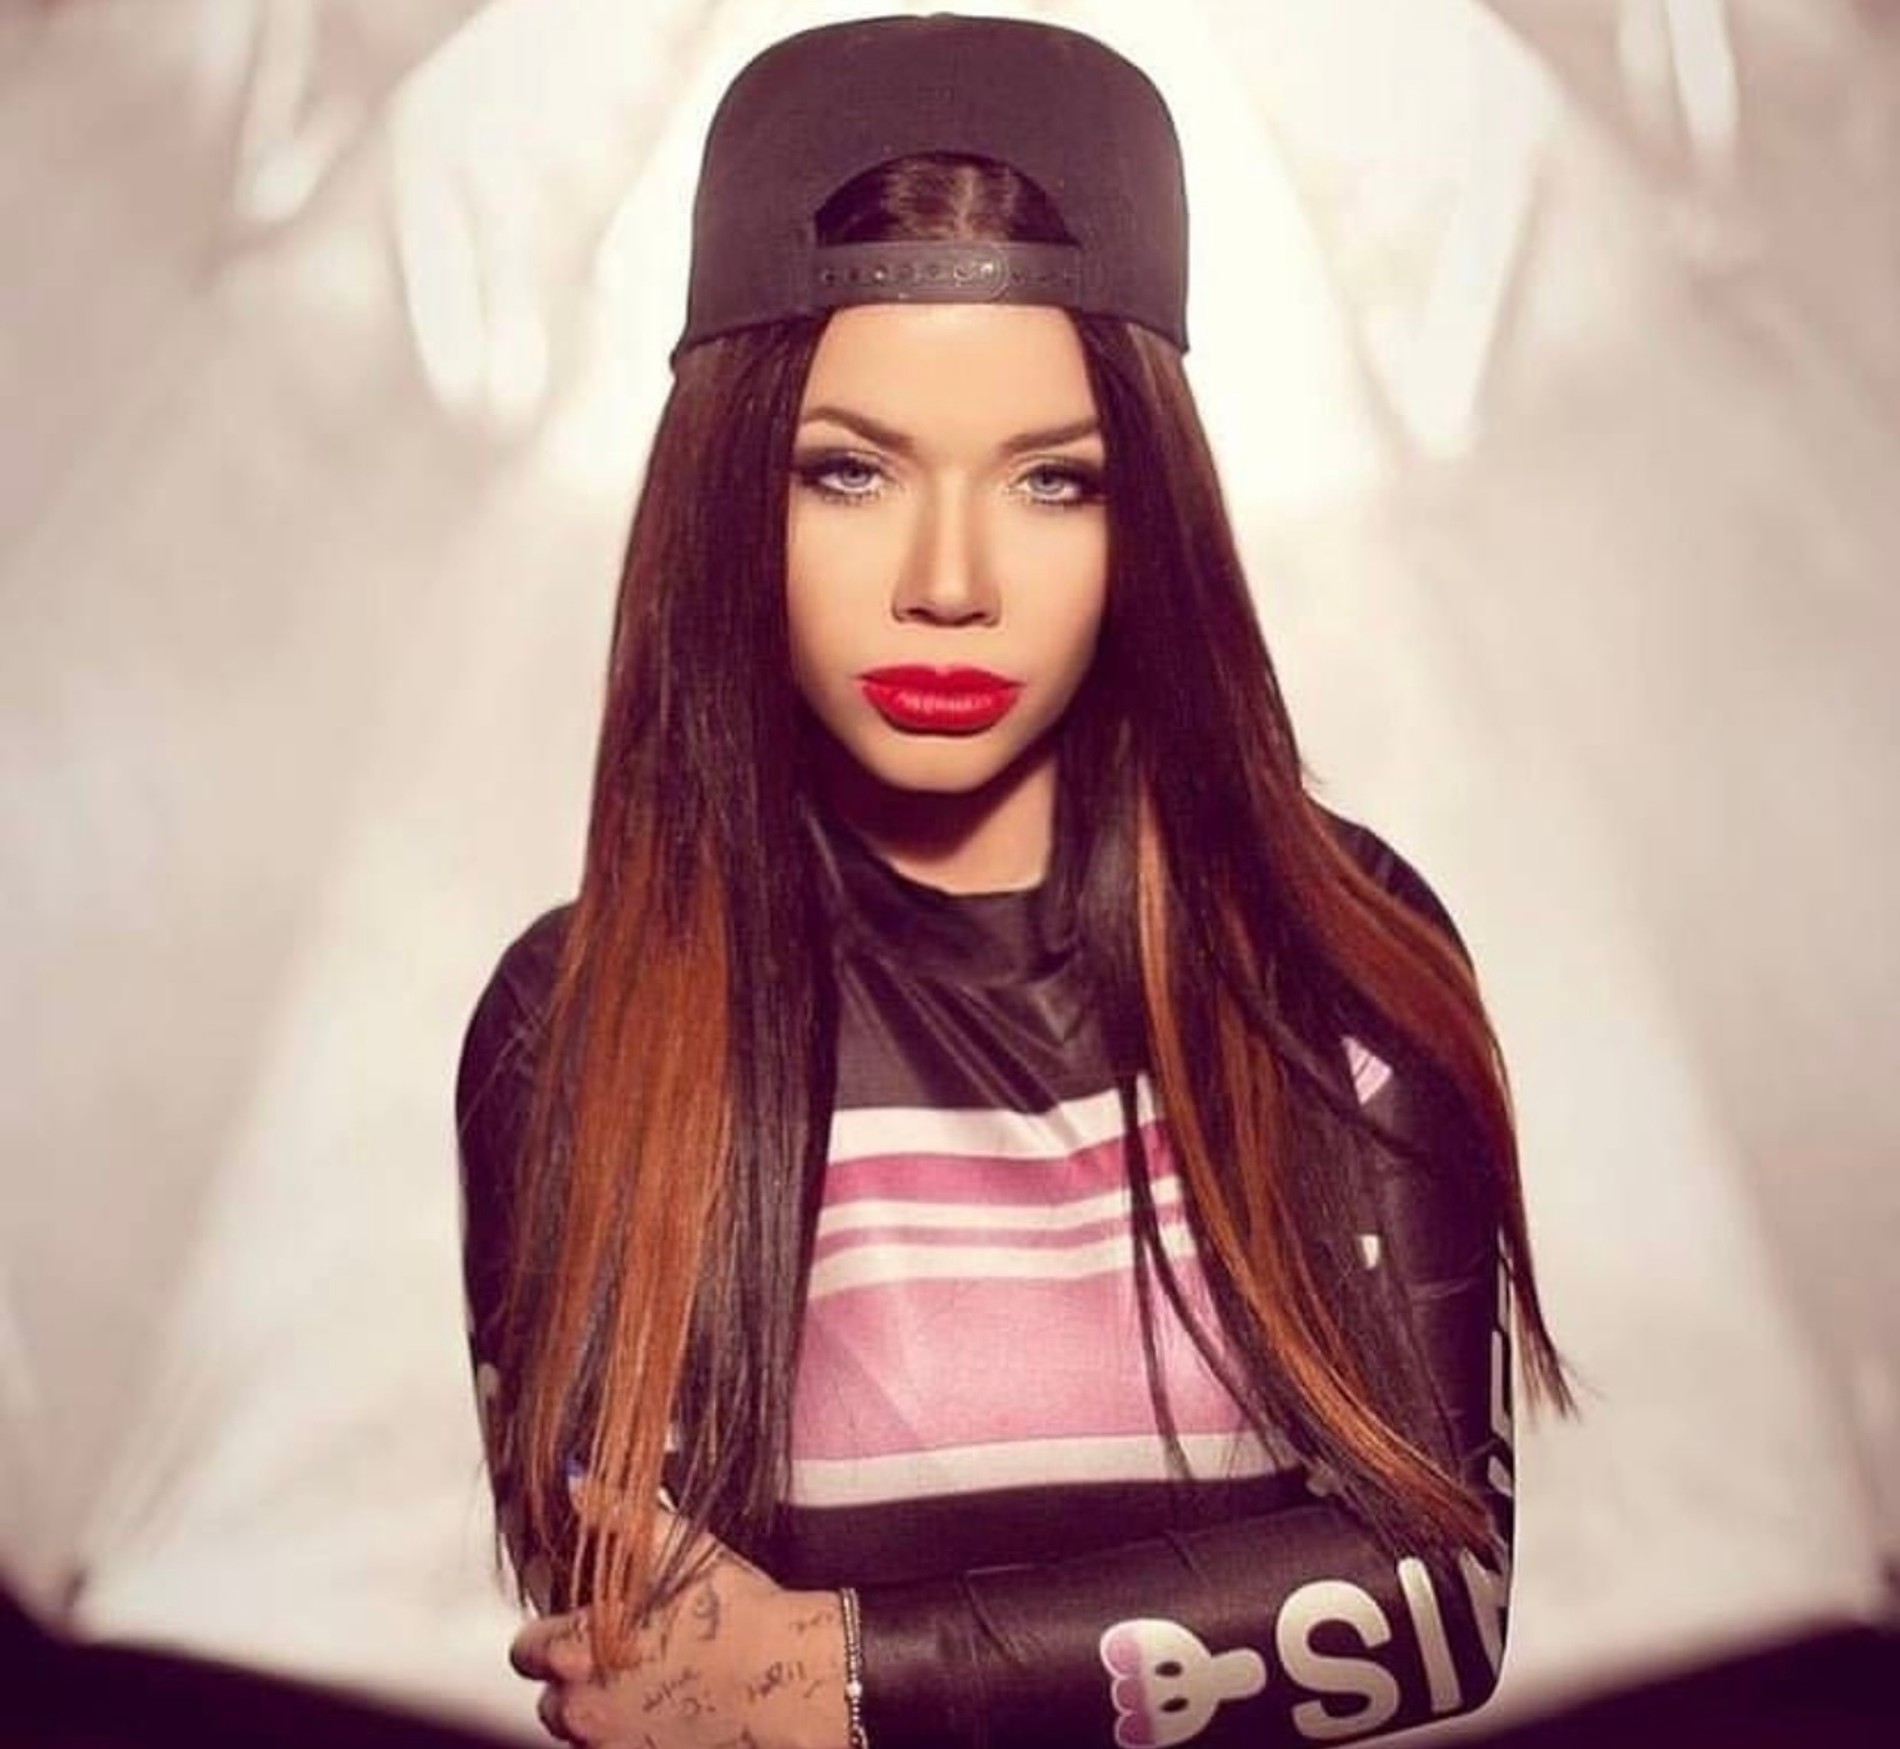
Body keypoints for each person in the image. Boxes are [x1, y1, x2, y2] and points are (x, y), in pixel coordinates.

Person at [455, 15, 1573, 1749]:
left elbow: (1440, 1595)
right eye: (850, 468)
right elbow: (654, 1674)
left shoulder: (1327, 952)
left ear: (1148, 513)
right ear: (731, 487)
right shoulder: (580, 1027)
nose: (952, 578)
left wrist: (852, 1670)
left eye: (1053, 478)